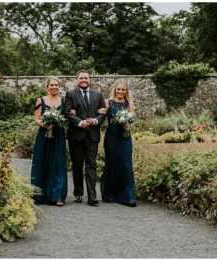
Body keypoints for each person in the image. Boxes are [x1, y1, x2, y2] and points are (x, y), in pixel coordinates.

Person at [64, 70, 106, 206]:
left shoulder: (98, 94)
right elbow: (67, 113)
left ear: (90, 79)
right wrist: (80, 122)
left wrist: (95, 120)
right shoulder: (70, 94)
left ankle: (92, 196)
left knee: (91, 165)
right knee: (77, 165)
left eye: (86, 78)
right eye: (81, 78)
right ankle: (78, 193)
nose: (84, 80)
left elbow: (103, 112)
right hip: (76, 135)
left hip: (92, 135)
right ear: (77, 79)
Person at [30, 76, 68, 206]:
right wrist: (46, 125)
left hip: (58, 135)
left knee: (58, 163)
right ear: (47, 86)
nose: (54, 87)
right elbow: (36, 119)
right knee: (43, 162)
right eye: (52, 85)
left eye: (56, 85)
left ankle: (57, 195)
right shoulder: (40, 100)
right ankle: (40, 195)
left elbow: (67, 116)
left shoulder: (63, 101)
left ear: (59, 87)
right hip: (44, 135)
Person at [101, 80, 137, 207]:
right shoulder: (108, 102)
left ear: (126, 91)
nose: (120, 92)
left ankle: (127, 196)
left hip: (125, 138)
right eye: (118, 89)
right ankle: (109, 194)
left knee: (126, 164)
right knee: (112, 164)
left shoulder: (130, 103)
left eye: (123, 90)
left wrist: (128, 127)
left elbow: (132, 120)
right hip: (111, 138)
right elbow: (101, 115)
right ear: (115, 90)